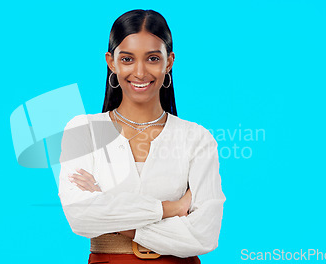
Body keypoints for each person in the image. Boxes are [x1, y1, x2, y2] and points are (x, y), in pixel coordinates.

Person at [58, 9, 226, 264]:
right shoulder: (84, 131)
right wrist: (170, 209)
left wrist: (114, 214)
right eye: (127, 59)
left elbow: (204, 236)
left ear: (168, 62)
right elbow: (79, 217)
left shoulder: (196, 138)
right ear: (111, 61)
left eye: (152, 59)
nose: (139, 72)